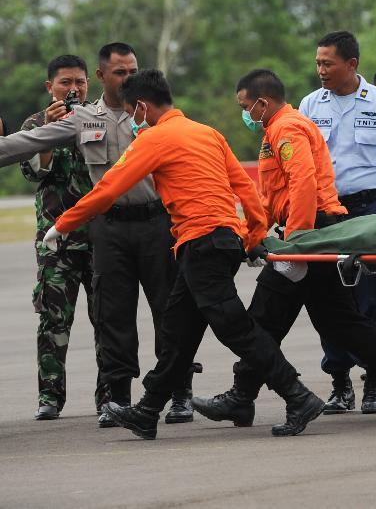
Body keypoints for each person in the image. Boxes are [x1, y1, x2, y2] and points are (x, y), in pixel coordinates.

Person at [42, 69, 321, 439]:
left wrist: (62, 224)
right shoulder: (208, 133)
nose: (132, 121)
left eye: (132, 113)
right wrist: (252, 236)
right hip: (217, 241)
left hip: (201, 243)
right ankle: (148, 410)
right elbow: (246, 190)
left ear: (141, 106)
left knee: (235, 329)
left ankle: (298, 396)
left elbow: (109, 189)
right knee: (178, 334)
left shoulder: (154, 139)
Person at [191, 69, 376, 425]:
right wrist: (252, 232)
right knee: (336, 318)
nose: (245, 114)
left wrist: (296, 241)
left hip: (311, 231)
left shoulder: (286, 128)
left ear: (262, 102)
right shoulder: (278, 128)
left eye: (246, 107)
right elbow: (276, 195)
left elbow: (303, 184)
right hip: (313, 229)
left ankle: (249, 396)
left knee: (265, 317)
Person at [0, 43, 195, 427]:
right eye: (120, 72)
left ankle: (179, 393)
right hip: (108, 229)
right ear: (103, 77)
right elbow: (30, 143)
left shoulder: (155, 116)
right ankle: (117, 399)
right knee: (112, 316)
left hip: (156, 225)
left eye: (134, 70)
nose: (129, 78)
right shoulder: (85, 120)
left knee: (168, 312)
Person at [299, 31, 376, 414]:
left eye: (327, 63)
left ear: (351, 64)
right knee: (330, 298)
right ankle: (339, 381)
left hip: (374, 210)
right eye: (318, 63)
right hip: (329, 214)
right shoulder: (309, 105)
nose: (320, 70)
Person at [23, 55, 102, 420]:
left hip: (101, 235)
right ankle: (50, 397)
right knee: (53, 319)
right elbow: (33, 173)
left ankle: (111, 397)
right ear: (49, 86)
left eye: (80, 82)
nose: (74, 89)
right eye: (66, 82)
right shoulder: (35, 124)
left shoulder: (100, 119)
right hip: (57, 240)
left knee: (107, 317)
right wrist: (47, 136)